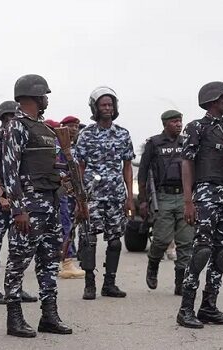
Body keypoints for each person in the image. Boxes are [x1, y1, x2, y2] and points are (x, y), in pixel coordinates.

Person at [2, 74, 72, 338]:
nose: (46, 100)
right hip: (29, 207)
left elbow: (50, 165)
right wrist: (19, 209)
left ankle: (49, 315)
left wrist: (64, 178)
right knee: (18, 262)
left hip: (50, 203)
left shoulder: (44, 129)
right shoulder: (16, 127)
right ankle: (14, 317)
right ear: (33, 96)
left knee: (49, 261)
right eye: (44, 95)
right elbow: (10, 171)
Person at [177, 81, 223, 329]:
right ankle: (185, 309)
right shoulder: (197, 128)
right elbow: (186, 163)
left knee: (222, 252)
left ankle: (209, 307)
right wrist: (188, 201)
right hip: (206, 193)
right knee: (202, 250)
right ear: (215, 100)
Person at [75, 86, 135, 300]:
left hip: (116, 195)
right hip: (92, 195)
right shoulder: (86, 135)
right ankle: (89, 283)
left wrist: (129, 198)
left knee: (115, 241)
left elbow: (127, 166)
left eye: (110, 104)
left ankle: (110, 283)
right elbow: (79, 167)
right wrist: (79, 198)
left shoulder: (123, 134)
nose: (107, 108)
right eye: (103, 105)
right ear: (95, 108)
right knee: (89, 239)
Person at [0, 100, 37, 304]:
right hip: (1, 201)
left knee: (19, 246)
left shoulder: (21, 137)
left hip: (19, 201)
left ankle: (15, 287)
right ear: (6, 118)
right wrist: (1, 195)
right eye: (14, 117)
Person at [138, 110, 193, 295]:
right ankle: (153, 264)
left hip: (185, 196)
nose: (179, 124)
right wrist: (143, 201)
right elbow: (143, 173)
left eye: (180, 121)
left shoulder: (186, 142)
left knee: (185, 242)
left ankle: (180, 282)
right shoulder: (154, 143)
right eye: (175, 121)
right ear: (165, 124)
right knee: (161, 239)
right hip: (163, 197)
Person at [57, 115, 84, 279]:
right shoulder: (58, 145)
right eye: (71, 126)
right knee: (64, 223)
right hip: (62, 191)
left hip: (74, 192)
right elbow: (57, 169)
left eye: (76, 126)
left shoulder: (76, 146)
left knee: (72, 224)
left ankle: (70, 256)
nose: (74, 129)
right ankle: (66, 261)